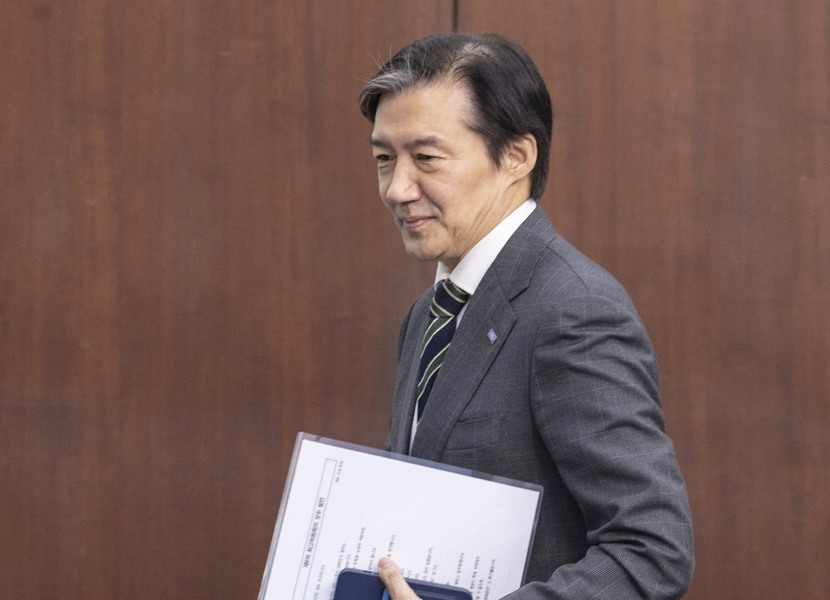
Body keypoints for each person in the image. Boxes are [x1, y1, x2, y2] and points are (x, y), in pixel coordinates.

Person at [358, 32, 694, 599]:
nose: (397, 188)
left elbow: (653, 552)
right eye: (384, 160)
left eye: (427, 158)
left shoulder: (574, 309)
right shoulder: (428, 315)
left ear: (517, 156)